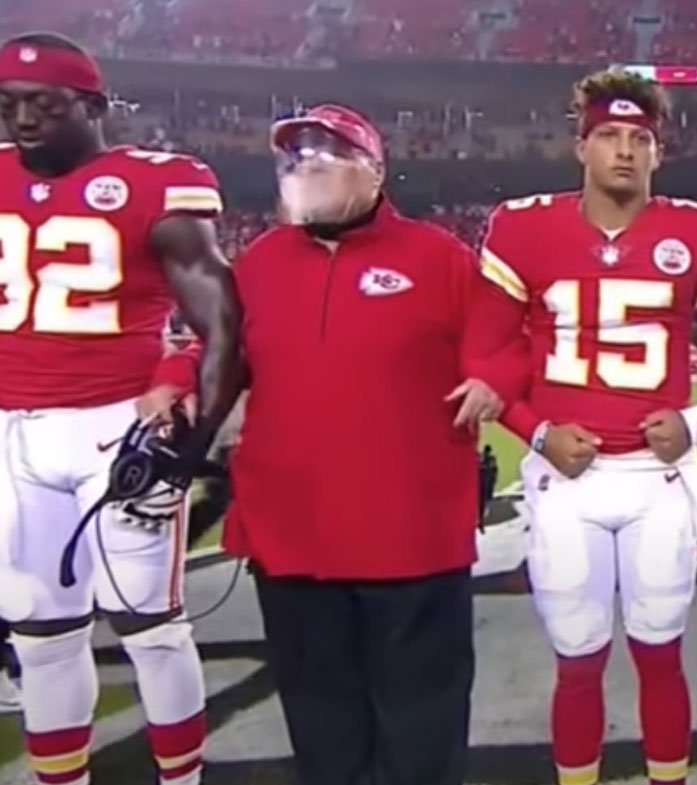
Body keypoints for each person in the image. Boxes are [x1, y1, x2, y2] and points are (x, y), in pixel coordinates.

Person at [180, 103, 527, 785]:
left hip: (410, 534)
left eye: (325, 157)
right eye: (295, 159)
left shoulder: (439, 256)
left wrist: (491, 377)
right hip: (293, 531)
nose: (305, 169)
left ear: (374, 171)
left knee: (420, 719)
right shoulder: (260, 262)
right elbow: (210, 349)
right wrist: (170, 382)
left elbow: (507, 341)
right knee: (318, 719)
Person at [479, 69, 697, 785]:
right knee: (577, 662)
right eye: (609, 136)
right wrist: (538, 434)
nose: (624, 150)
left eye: (639, 138)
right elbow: (487, 360)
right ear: (581, 145)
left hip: (658, 480)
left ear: (658, 152)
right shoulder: (522, 226)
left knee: (660, 654)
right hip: (564, 480)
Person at [0, 32, 243, 785]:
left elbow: (224, 321)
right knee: (40, 634)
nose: (26, 118)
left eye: (46, 102)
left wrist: (186, 449)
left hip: (116, 424)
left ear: (94, 106)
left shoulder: (153, 181)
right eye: (10, 104)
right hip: (11, 430)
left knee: (151, 626)